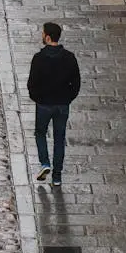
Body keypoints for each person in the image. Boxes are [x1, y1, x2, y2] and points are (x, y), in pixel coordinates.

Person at [27, 21, 81, 186]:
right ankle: (57, 177)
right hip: (62, 105)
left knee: (40, 133)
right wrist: (68, 98)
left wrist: (37, 97)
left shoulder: (39, 58)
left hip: (44, 104)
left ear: (48, 37)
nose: (41, 36)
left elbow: (32, 83)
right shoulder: (69, 58)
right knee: (59, 138)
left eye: (43, 33)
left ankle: (45, 163)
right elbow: (76, 83)